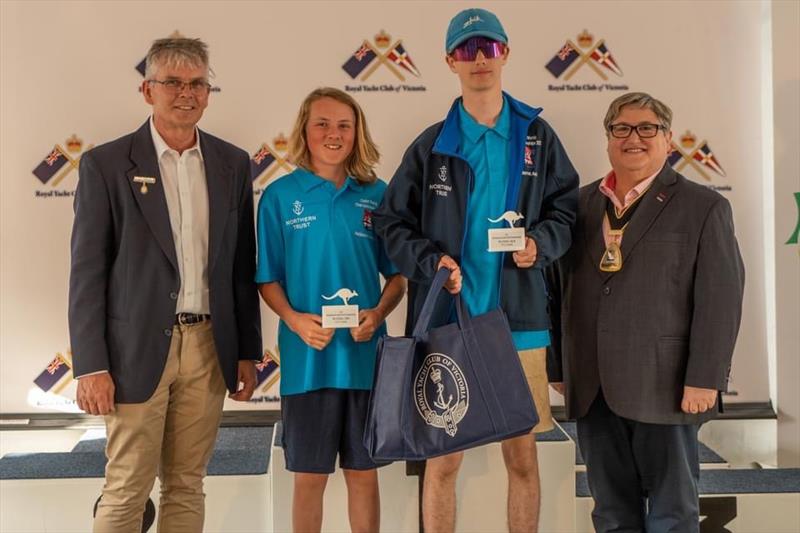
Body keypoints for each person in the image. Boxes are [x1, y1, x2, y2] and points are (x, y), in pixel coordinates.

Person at [372, 8, 579, 532]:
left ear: (505, 53)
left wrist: (540, 244)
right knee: (442, 461)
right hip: (447, 318)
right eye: (468, 50)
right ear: (450, 62)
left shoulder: (537, 136)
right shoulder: (431, 145)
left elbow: (566, 210)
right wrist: (431, 262)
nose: (480, 59)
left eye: (489, 47)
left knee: (523, 459)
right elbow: (391, 225)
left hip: (522, 325)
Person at [68, 36, 262, 532]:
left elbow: (241, 266)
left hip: (208, 346)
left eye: (198, 83)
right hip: (132, 350)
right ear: (146, 89)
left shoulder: (233, 163)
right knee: (127, 486)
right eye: (172, 82)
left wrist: (246, 351)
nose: (186, 93)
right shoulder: (106, 165)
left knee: (186, 484)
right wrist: (91, 364)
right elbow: (87, 274)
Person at [549, 92, 745, 532]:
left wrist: (705, 377)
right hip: (593, 386)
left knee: (673, 514)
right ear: (608, 138)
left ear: (667, 139)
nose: (633, 138)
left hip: (667, 385)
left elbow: (721, 299)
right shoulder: (577, 207)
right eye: (622, 128)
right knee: (612, 514)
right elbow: (557, 291)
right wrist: (558, 365)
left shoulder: (704, 207)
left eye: (646, 129)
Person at [256, 87, 406, 533]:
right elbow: (267, 279)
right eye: (322, 123)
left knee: (364, 475)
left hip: (364, 361)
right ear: (305, 129)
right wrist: (296, 321)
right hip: (308, 363)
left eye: (344, 124)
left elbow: (398, 277)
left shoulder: (378, 195)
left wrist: (377, 315)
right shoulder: (280, 197)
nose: (333, 134)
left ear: (357, 132)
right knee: (309, 478)